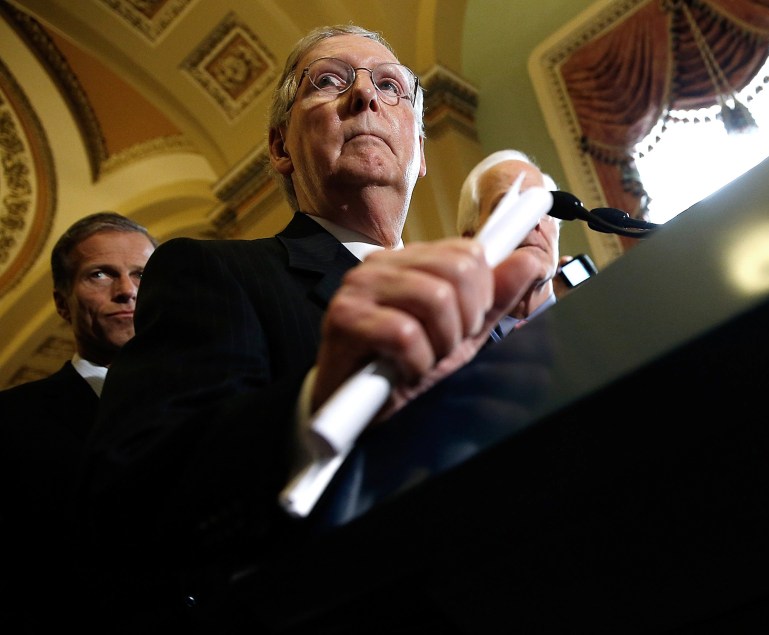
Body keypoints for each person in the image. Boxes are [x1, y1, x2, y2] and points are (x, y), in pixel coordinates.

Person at [77, 24, 549, 630]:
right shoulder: (217, 272)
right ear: (280, 147)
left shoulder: (482, 295)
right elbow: (129, 499)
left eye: (390, 86)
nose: (365, 97)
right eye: (328, 81)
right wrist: (317, 405)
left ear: (421, 152)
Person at [0, 212, 157, 632]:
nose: (127, 291)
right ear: (61, 303)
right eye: (101, 275)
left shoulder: (227, 396)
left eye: (142, 274)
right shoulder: (11, 421)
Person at [456, 149, 560, 341]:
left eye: (544, 209)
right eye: (513, 207)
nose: (535, 220)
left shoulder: (596, 324)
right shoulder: (452, 346)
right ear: (471, 241)